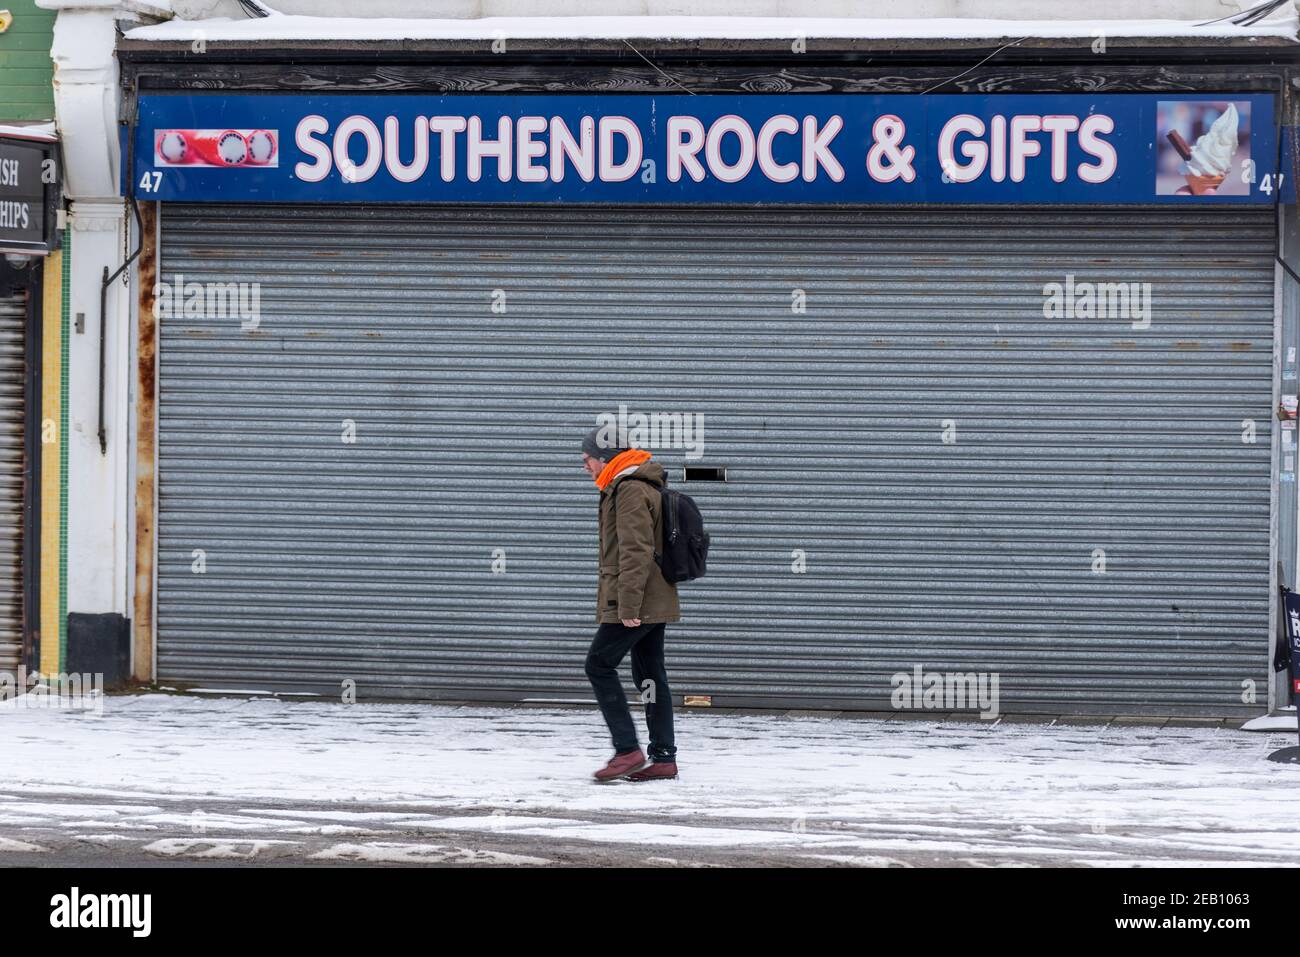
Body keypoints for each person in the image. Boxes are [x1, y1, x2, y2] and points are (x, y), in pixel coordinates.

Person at [581, 427, 680, 782]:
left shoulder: (629, 489)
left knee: (598, 665)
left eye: (587, 459)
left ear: (604, 458)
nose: (585, 467)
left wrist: (628, 606)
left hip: (637, 600)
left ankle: (627, 750)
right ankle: (664, 758)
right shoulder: (638, 484)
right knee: (651, 674)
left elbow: (635, 551)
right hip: (654, 597)